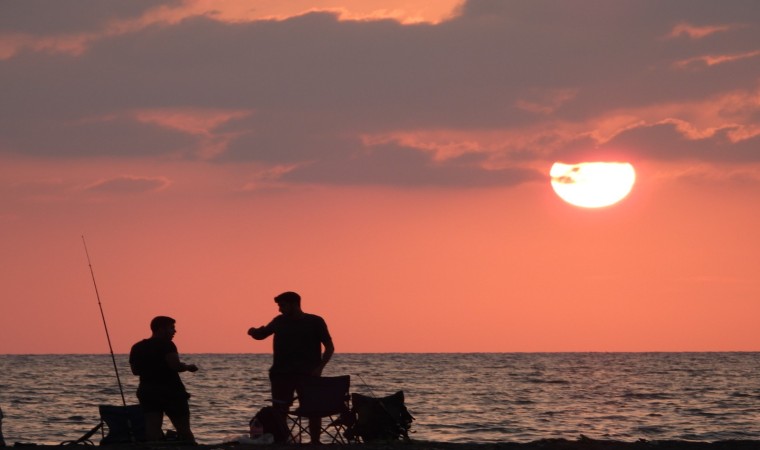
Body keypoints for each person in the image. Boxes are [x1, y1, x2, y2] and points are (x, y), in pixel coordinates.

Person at [247, 291, 334, 444]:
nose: (280, 309)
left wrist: (320, 367)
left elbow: (329, 347)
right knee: (280, 410)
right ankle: (283, 441)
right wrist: (253, 332)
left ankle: (315, 442)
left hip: (308, 374)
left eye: (282, 305)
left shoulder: (315, 321)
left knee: (313, 409)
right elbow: (262, 335)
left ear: (294, 304)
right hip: (281, 374)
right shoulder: (279, 321)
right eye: (279, 306)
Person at [129, 316, 198, 443]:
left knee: (152, 431)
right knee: (184, 430)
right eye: (171, 328)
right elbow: (175, 366)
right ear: (161, 329)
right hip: (171, 392)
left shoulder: (138, 346)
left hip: (147, 392)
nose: (174, 331)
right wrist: (188, 367)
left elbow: (135, 371)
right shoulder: (167, 345)